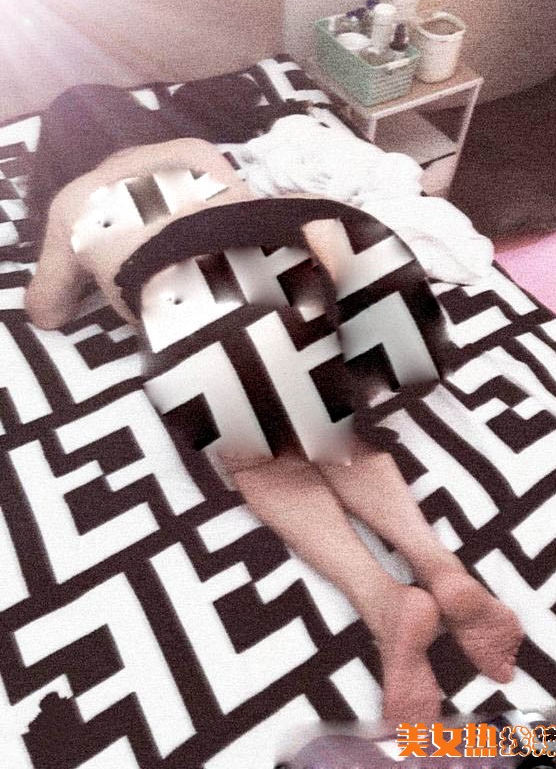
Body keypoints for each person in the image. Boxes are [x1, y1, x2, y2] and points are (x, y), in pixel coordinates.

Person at [26, 136, 523, 725]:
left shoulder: (74, 197)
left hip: (195, 279)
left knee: (261, 459)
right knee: (332, 427)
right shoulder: (191, 148)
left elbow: (46, 311)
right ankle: (442, 570)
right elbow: (242, 204)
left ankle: (385, 604)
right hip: (324, 242)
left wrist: (87, 260)